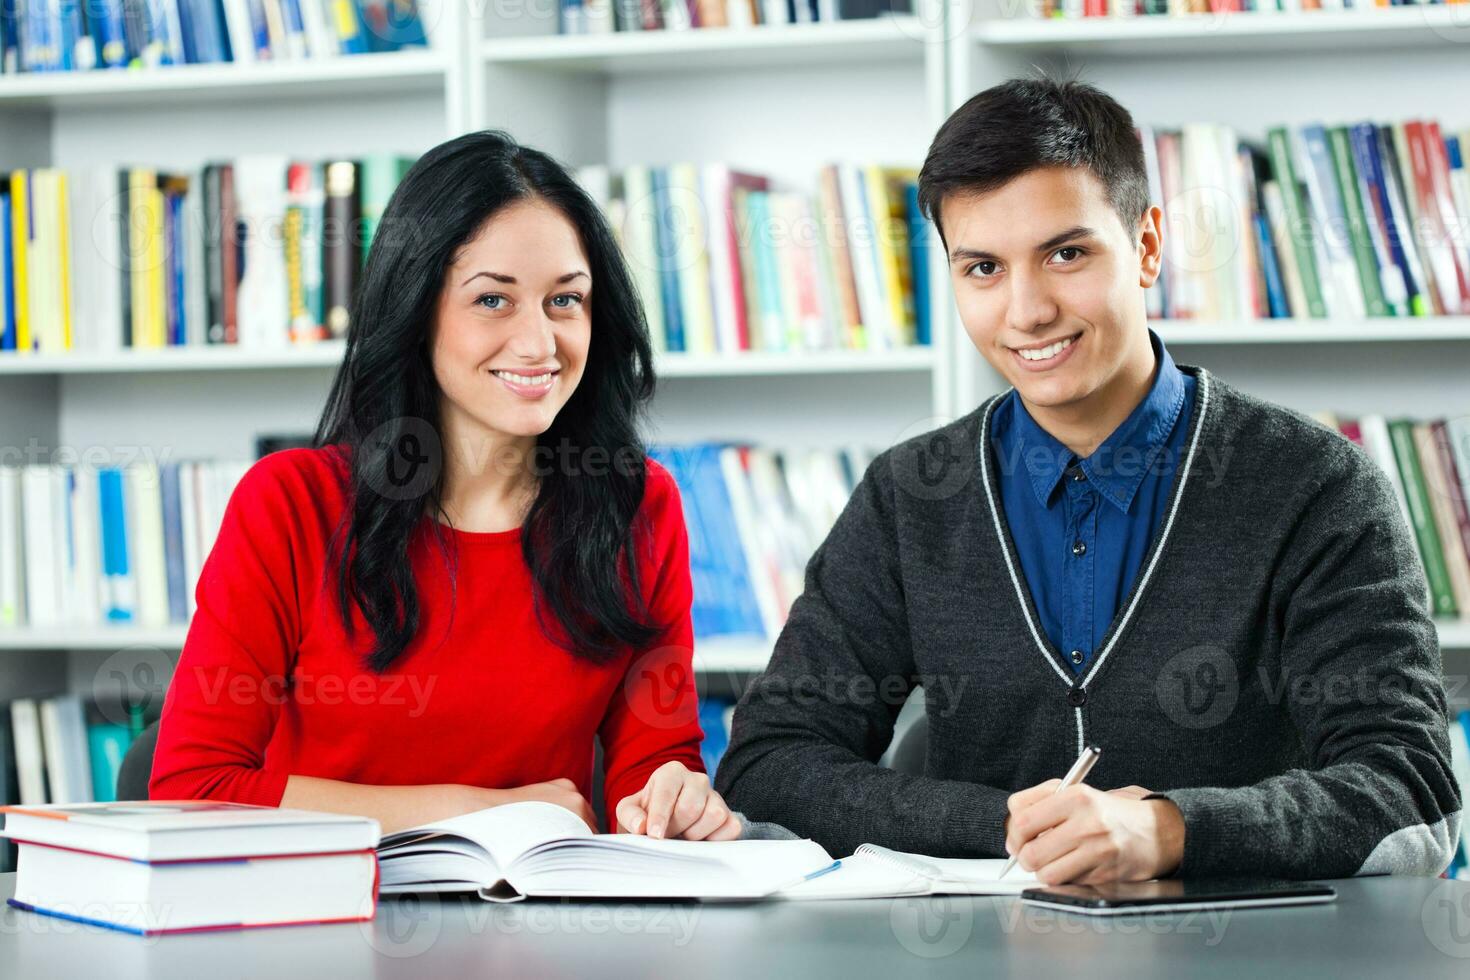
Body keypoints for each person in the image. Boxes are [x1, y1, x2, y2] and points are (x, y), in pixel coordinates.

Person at [716, 77, 1463, 883]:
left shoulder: (1315, 487)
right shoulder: (910, 496)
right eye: (982, 269)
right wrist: (1010, 824)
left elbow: (1413, 795)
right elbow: (769, 765)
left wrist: (1168, 831)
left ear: (1145, 247)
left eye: (1066, 253)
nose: (1027, 311)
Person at [150, 131, 739, 842]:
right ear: (415, 309)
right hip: (320, 925)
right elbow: (193, 789)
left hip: (537, 927)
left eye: (565, 301)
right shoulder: (291, 504)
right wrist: (475, 812)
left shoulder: (636, 504)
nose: (538, 343)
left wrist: (673, 801)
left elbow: (652, 764)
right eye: (493, 300)